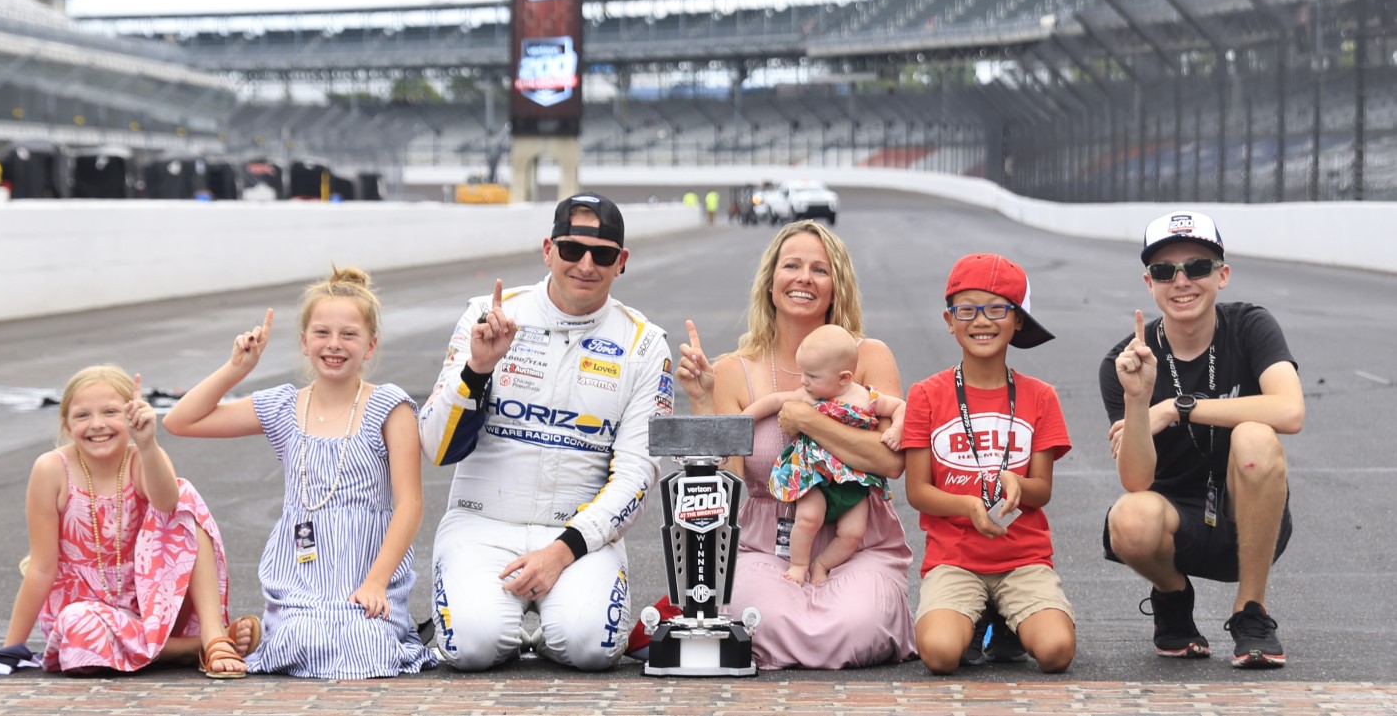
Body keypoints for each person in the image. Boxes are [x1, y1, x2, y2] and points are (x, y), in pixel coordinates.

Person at [417, 192, 672, 672]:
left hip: (577, 536)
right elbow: (433, 444)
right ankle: (504, 623)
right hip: (482, 522)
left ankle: (539, 623)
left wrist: (563, 550)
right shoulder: (488, 316)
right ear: (548, 250)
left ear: (623, 262)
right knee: (471, 646)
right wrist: (476, 370)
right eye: (572, 249)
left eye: (603, 254)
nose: (586, 265)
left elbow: (639, 473)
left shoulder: (645, 343)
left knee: (590, 648)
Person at [163, 267, 437, 679]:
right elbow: (180, 421)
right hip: (302, 577)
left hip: (367, 570)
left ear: (370, 345)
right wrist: (237, 368)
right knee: (301, 639)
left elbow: (410, 504)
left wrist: (377, 582)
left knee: (365, 644)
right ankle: (274, 627)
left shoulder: (390, 407)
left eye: (349, 334)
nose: (334, 345)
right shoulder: (283, 406)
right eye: (322, 333)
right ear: (305, 342)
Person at [676, 219, 916, 670]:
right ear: (770, 284)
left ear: (836, 287)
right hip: (767, 546)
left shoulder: (869, 357)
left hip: (858, 540)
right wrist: (705, 401)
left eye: (819, 270)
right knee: (761, 621)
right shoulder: (734, 370)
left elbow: (890, 461)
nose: (804, 278)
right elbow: (724, 485)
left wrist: (809, 420)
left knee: (856, 625)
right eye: (792, 266)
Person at [1102, 210, 1303, 669]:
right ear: (1148, 283)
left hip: (1251, 515)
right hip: (1173, 517)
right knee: (1128, 519)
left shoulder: (1251, 326)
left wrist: (1178, 406)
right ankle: (1173, 595)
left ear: (1222, 275)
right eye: (1164, 271)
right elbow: (1136, 480)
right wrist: (1138, 400)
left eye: (1196, 267)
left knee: (1255, 437)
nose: (1181, 281)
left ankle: (1251, 611)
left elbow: (1289, 410)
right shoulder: (1124, 360)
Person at [4, 365, 255, 677]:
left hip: (153, 606)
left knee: (183, 494)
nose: (97, 425)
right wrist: (9, 649)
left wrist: (147, 443)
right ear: (66, 424)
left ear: (131, 414)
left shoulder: (141, 459)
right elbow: (42, 567)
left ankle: (214, 634)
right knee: (80, 633)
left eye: (111, 412)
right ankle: (188, 648)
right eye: (82, 416)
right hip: (87, 613)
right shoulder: (51, 469)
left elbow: (168, 503)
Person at [899, 253, 1075, 675]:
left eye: (997, 309)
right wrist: (966, 506)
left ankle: (1005, 620)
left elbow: (1042, 490)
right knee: (939, 655)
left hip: (1023, 557)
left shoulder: (1040, 396)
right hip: (955, 558)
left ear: (1017, 320)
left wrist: (1018, 482)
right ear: (949, 320)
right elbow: (918, 492)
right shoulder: (925, 395)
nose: (982, 321)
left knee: (1056, 652)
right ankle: (978, 619)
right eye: (968, 310)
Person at [743, 323, 901, 585]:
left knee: (853, 532)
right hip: (813, 475)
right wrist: (742, 420)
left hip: (854, 479)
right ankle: (799, 564)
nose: (804, 380)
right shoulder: (807, 395)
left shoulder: (865, 398)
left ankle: (822, 564)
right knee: (808, 517)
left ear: (844, 378)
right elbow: (773, 402)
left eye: (813, 376)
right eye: (803, 373)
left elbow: (900, 407)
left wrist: (897, 428)